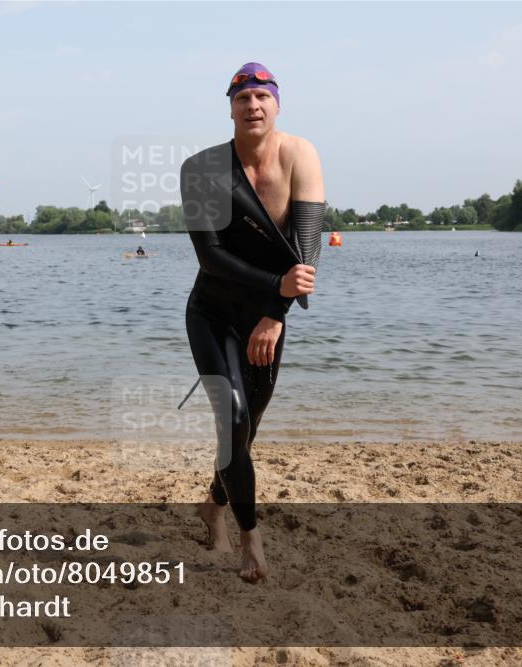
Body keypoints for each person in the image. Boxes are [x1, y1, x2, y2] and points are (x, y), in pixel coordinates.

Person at [181, 62, 324, 582]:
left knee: (247, 431)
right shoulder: (201, 169)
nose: (254, 106)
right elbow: (211, 257)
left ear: (277, 104)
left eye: (263, 96)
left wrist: (275, 314)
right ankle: (250, 538)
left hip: (267, 316)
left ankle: (213, 505)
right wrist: (275, 290)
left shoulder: (300, 154)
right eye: (243, 99)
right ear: (231, 108)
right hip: (213, 311)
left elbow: (305, 250)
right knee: (235, 420)